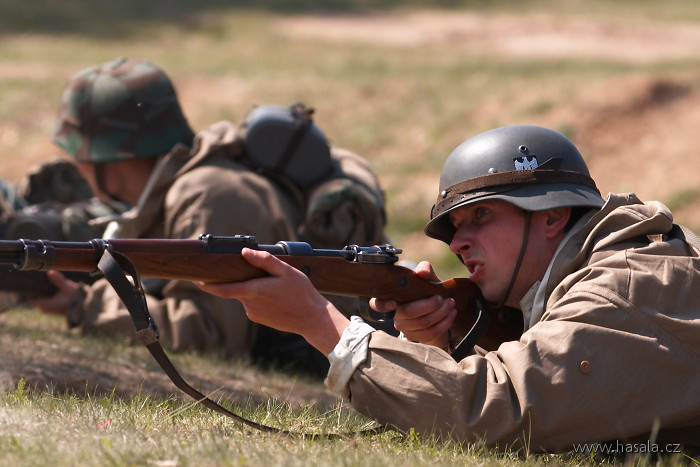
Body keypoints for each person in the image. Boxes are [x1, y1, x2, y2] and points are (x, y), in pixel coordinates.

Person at [197, 125, 700, 453]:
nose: (459, 242)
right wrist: (450, 340)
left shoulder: (625, 287)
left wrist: (320, 324)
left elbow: (500, 411)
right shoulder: (613, 267)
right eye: (454, 225)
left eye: (481, 215)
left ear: (552, 216)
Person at [33, 57, 388, 374]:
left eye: (76, 152)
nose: (75, 165)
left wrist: (87, 305)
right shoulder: (177, 188)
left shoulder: (206, 194)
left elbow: (211, 333)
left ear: (108, 156)